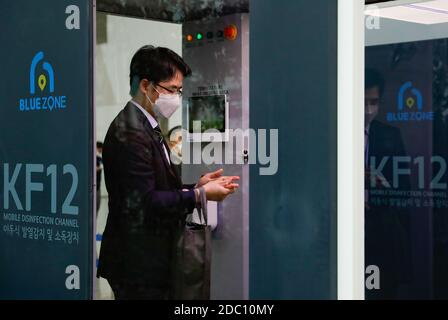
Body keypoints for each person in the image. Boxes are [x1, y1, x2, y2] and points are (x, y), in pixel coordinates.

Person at [96, 45, 239, 300]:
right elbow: (146, 202)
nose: (176, 97)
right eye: (171, 90)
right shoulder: (130, 132)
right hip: (136, 265)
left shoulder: (147, 125)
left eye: (179, 90)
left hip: (150, 261)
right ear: (145, 86)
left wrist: (196, 186)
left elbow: (157, 188)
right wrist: (198, 195)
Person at [364, 68, 411, 299]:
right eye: (363, 102)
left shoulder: (389, 136)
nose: (368, 110)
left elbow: (405, 191)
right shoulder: (334, 135)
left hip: (380, 234)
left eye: (374, 102)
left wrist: (383, 186)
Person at [96, 141, 103, 215]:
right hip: (93, 188)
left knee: (97, 206)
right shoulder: (91, 158)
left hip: (98, 186)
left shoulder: (99, 158)